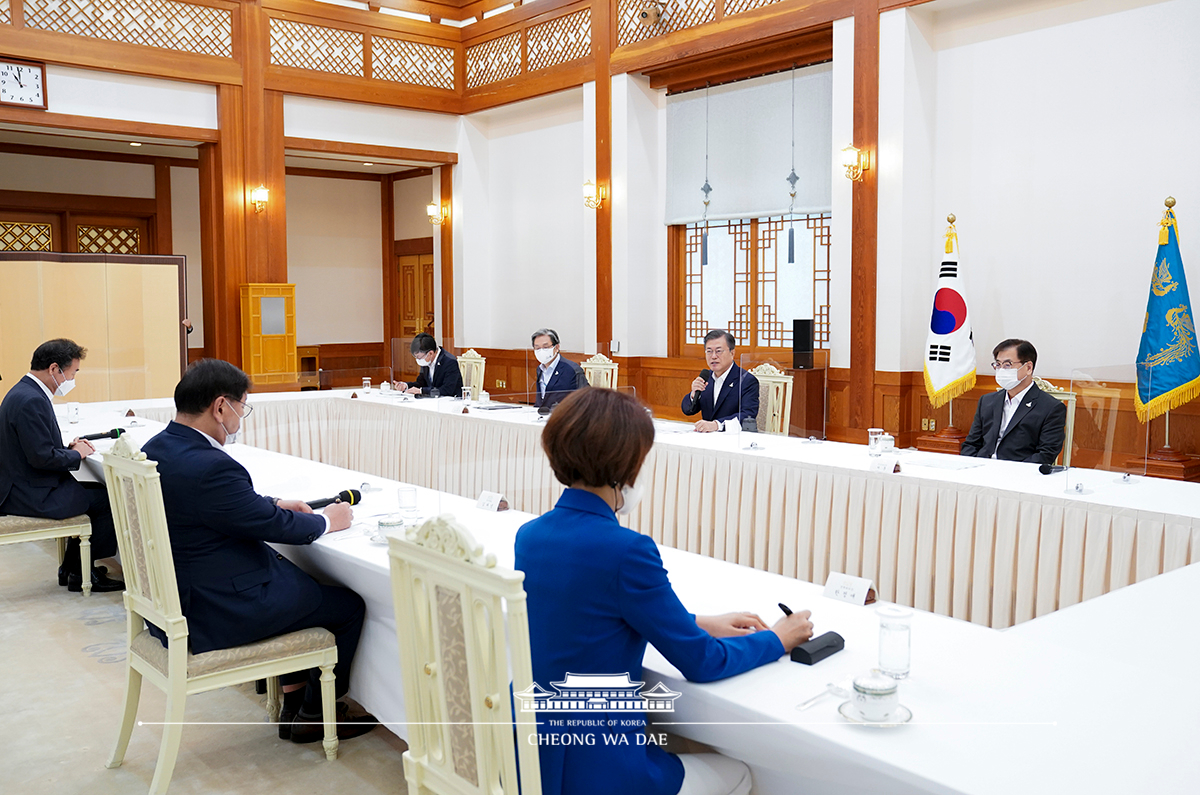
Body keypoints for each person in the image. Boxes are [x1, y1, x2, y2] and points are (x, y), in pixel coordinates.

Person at [515, 388, 814, 795]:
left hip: (536, 757)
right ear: (626, 465)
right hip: (600, 767)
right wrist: (776, 639)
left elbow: (583, 613)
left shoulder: (529, 536)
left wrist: (698, 622)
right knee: (742, 772)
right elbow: (703, 662)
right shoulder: (626, 550)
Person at [141, 359, 375, 743]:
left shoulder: (159, 447)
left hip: (178, 597)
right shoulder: (211, 466)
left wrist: (275, 501)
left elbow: (221, 507)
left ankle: (294, 703)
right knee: (346, 605)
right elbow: (275, 528)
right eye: (241, 407)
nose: (240, 419)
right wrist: (329, 520)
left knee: (299, 586)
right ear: (220, 407)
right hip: (215, 608)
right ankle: (317, 714)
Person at [0, 339, 123, 593]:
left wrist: (67, 450)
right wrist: (76, 455)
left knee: (93, 492)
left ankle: (72, 567)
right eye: (73, 372)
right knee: (108, 498)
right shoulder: (31, 400)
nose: (72, 378)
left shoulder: (23, 392)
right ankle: (80, 573)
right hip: (29, 493)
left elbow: (35, 448)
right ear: (55, 369)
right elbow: (41, 458)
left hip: (23, 483)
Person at [961, 338, 1067, 465]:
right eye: (998, 365)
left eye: (1007, 365)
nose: (1001, 370)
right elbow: (971, 444)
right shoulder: (987, 401)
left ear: (1028, 367)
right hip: (981, 470)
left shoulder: (1051, 407)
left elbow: (1046, 454)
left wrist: (1012, 472)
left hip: (1019, 475)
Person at [680, 330, 759, 433]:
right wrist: (693, 394)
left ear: (732, 353)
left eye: (718, 351)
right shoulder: (706, 378)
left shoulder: (747, 380)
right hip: (708, 437)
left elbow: (748, 416)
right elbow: (687, 410)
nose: (713, 356)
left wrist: (717, 425)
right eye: (709, 351)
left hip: (734, 438)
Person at [532, 328, 587, 410]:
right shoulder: (540, 369)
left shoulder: (572, 369)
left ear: (556, 347)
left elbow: (585, 398)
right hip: (542, 415)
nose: (541, 351)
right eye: (537, 348)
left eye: (545, 347)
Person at [395, 333, 463, 397]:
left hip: (450, 401)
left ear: (430, 353)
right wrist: (406, 385)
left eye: (419, 357)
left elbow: (447, 390)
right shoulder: (426, 360)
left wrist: (421, 391)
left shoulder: (450, 362)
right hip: (432, 400)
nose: (418, 360)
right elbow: (421, 383)